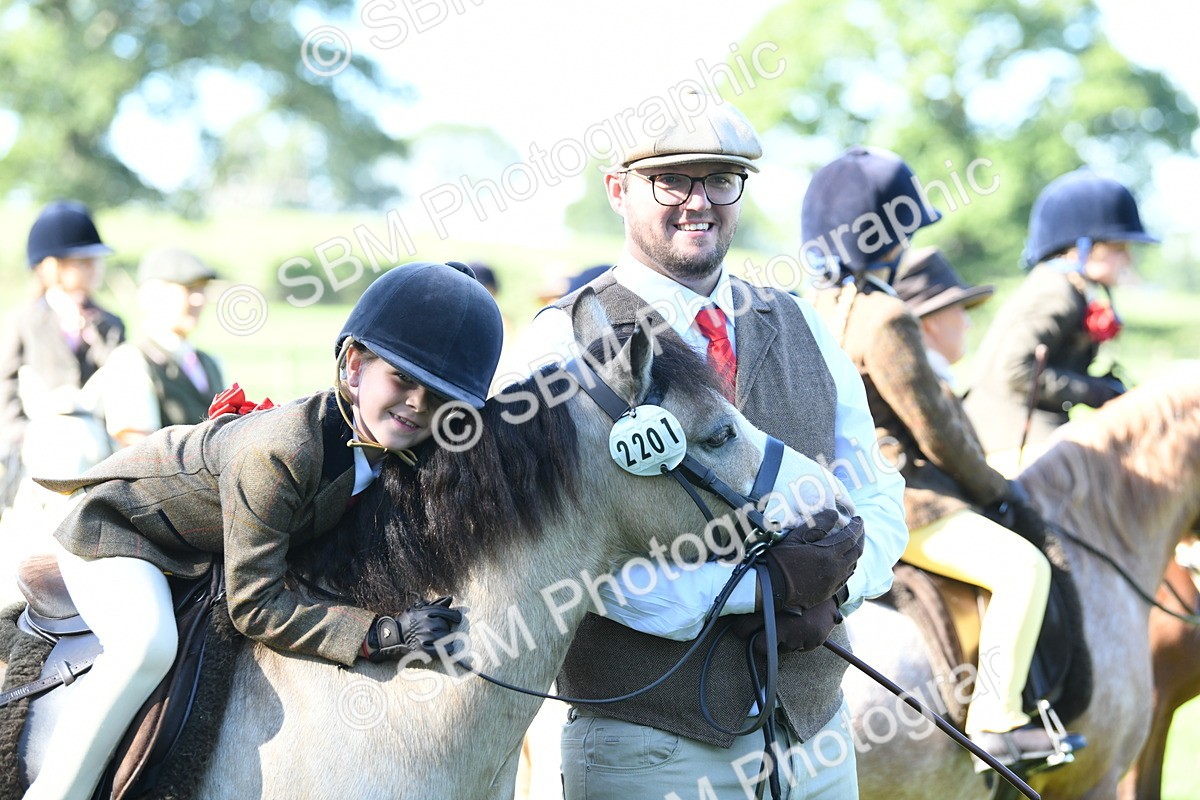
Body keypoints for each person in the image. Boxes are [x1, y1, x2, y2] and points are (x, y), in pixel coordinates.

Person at [500, 90, 907, 800]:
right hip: (650, 744)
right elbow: (561, 558)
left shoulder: (803, 322)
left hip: (814, 731)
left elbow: (876, 488)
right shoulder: (558, 345)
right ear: (618, 190)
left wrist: (840, 574)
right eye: (672, 180)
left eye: (721, 179)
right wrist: (762, 590)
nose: (700, 201)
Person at [21, 261, 502, 800]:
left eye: (439, 396)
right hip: (125, 532)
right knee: (147, 646)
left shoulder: (394, 451)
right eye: (403, 379)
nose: (417, 404)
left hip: (202, 547)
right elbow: (253, 604)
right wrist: (376, 634)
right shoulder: (283, 449)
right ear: (353, 365)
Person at [803, 154, 1079, 770]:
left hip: (821, 500)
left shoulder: (808, 308)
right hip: (903, 502)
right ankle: (997, 722)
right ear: (889, 239)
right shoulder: (886, 316)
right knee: (1024, 567)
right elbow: (939, 431)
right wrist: (996, 486)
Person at [964, 169, 1159, 472]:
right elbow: (1015, 370)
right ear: (1081, 248)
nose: (1128, 259)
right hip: (1010, 437)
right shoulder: (1056, 292)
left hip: (1035, 425)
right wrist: (1091, 391)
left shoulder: (1077, 289)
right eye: (1119, 248)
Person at [0, 201, 124, 509]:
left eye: (95, 260)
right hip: (37, 448)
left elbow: (119, 380)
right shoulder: (23, 321)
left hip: (99, 447)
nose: (94, 268)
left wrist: (91, 332)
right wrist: (22, 435)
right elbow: (5, 384)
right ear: (50, 266)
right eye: (82, 261)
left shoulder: (109, 323)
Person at [92, 247, 225, 447]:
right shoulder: (129, 361)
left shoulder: (211, 362)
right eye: (188, 289)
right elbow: (140, 450)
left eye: (202, 289)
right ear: (152, 295)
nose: (199, 299)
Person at [892, 246, 994, 387]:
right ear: (932, 322)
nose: (968, 324)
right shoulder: (926, 386)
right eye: (961, 311)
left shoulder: (932, 379)